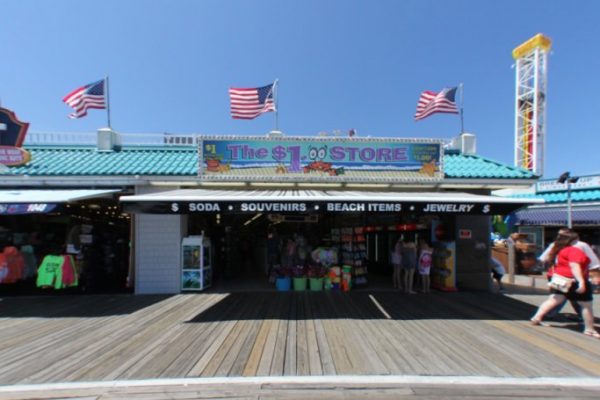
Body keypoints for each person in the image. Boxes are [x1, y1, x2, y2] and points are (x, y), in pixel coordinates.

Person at [530, 230, 600, 339]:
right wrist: (581, 281)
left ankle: (537, 317)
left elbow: (545, 259)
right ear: (573, 240)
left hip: (560, 279)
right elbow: (575, 267)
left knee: (554, 299)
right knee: (586, 305)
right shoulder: (575, 250)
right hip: (573, 280)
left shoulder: (558, 248)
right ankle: (589, 329)